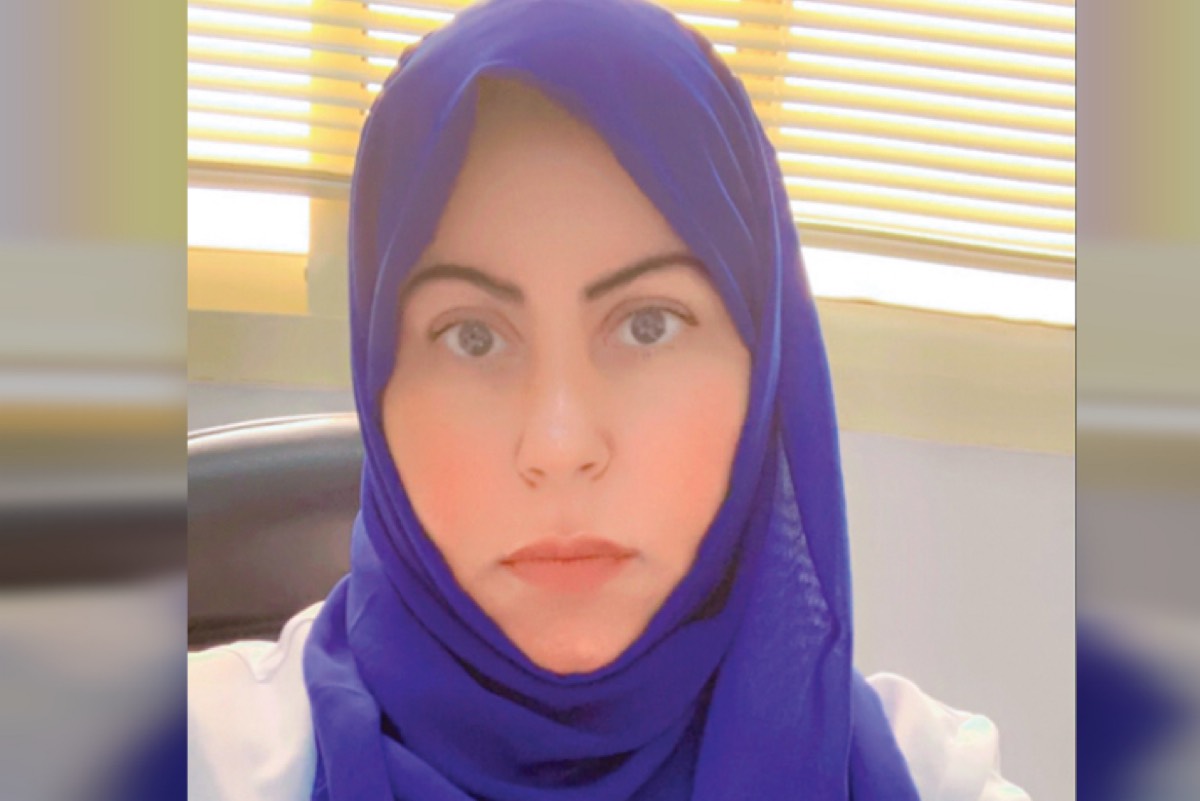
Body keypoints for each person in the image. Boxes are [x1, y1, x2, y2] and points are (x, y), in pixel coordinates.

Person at [188, 0, 1030, 798]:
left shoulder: (924, 774)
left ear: (764, 368)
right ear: (380, 383)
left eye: (647, 325)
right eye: (473, 336)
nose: (559, 443)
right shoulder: (205, 754)